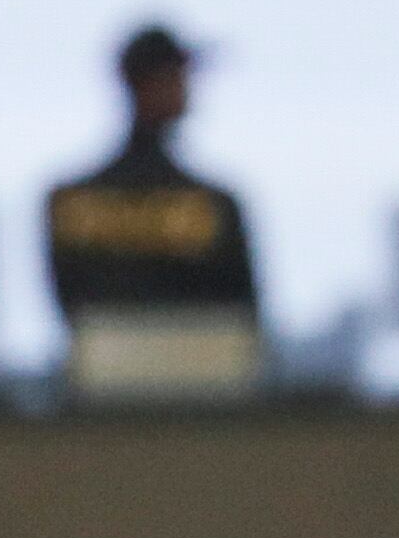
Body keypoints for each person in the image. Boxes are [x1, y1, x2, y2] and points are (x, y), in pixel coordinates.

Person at [42, 22, 264, 400]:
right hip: (202, 400)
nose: (185, 88)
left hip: (112, 400)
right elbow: (244, 312)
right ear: (143, 85)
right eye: (174, 77)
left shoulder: (71, 202)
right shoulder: (214, 205)